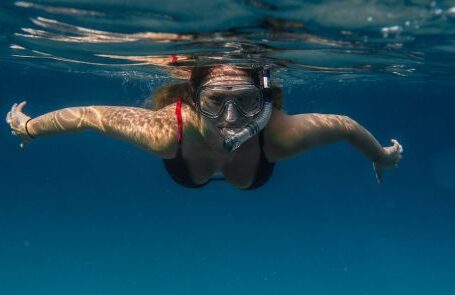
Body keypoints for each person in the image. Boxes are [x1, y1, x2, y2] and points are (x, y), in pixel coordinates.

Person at [6, 65, 403, 189]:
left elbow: (346, 126)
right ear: (192, 97)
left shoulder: (277, 136)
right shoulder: (165, 131)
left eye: (246, 101)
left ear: (263, 101)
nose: (231, 118)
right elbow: (90, 115)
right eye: (215, 100)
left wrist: (381, 155)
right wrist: (30, 128)